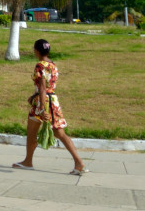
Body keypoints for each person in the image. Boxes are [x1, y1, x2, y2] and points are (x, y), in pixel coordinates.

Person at [12, 38, 88, 175]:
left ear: (36, 50)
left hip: (44, 104)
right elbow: (47, 87)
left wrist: (42, 108)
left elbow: (42, 87)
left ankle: (79, 162)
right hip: (51, 101)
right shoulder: (52, 65)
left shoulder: (40, 65)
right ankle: (28, 161)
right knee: (35, 131)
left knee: (56, 133)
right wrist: (34, 97)